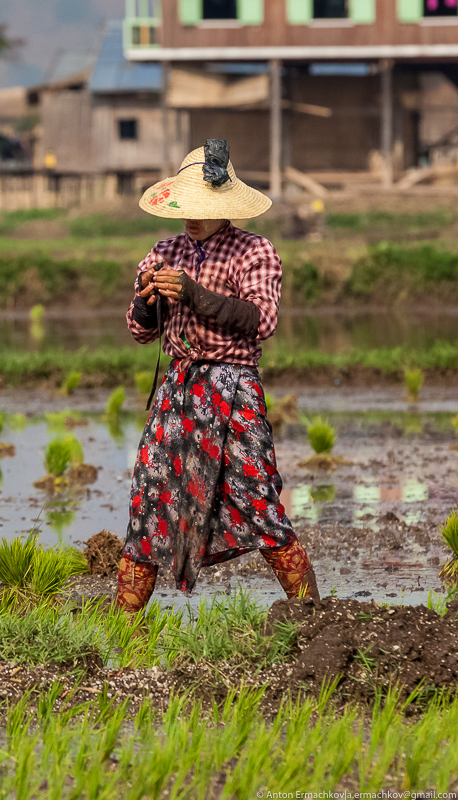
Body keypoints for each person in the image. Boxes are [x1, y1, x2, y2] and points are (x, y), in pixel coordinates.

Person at [118, 139, 320, 612]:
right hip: (179, 392)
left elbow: (261, 320)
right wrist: (148, 301)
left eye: (202, 206)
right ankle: (118, 629)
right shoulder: (162, 252)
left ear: (225, 206)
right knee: (150, 497)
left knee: (257, 499)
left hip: (233, 392)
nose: (190, 215)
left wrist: (195, 295)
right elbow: (139, 332)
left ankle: (315, 616)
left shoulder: (255, 251)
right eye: (185, 205)